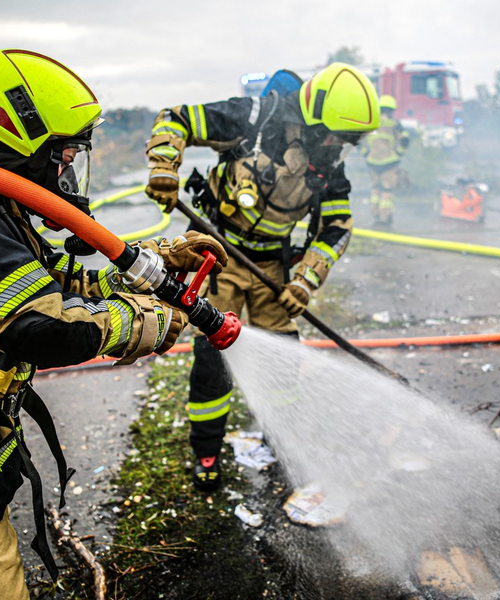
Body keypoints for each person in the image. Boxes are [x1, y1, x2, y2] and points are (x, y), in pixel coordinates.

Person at [0, 49, 226, 599]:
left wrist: (160, 260)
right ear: (23, 140)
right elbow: (40, 322)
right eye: (64, 154)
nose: (67, 169)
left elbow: (55, 277)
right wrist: (152, 321)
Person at [144, 62, 379, 492]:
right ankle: (207, 453)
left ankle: (280, 440)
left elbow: (336, 229)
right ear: (312, 117)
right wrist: (164, 165)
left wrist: (305, 280)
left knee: (284, 357)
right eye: (333, 136)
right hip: (220, 255)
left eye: (347, 142)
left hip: (273, 264)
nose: (336, 147)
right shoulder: (254, 118)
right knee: (213, 360)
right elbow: (175, 118)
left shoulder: (329, 167)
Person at [359, 94, 410, 224]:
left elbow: (359, 141)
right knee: (387, 190)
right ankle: (385, 218)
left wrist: (366, 154)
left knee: (375, 188)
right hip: (390, 163)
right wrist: (399, 153)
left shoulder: (371, 123)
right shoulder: (395, 124)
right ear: (391, 110)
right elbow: (405, 140)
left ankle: (375, 214)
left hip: (372, 162)